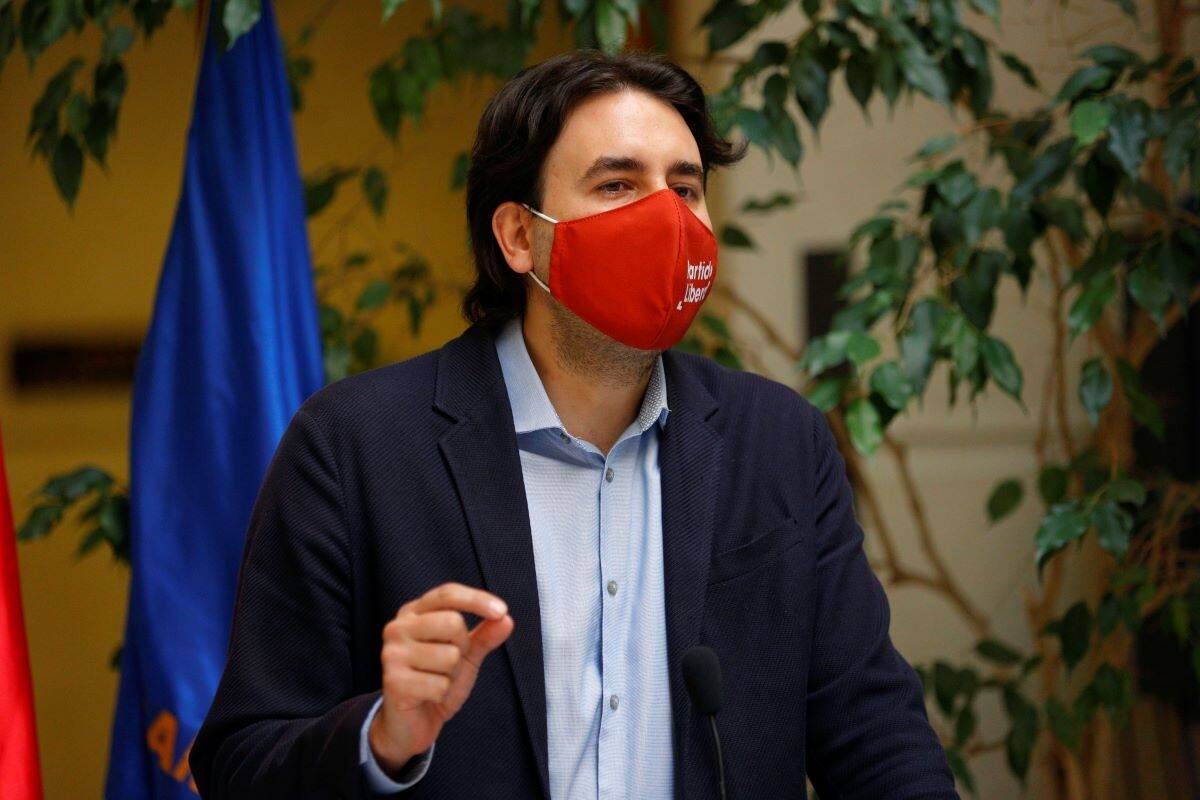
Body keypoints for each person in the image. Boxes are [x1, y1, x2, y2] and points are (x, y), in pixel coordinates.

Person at [190, 50, 957, 799]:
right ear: (520, 236)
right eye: (618, 184)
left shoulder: (780, 443)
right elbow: (241, 762)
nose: (666, 218)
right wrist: (381, 740)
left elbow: (874, 735)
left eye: (685, 188)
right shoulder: (354, 445)